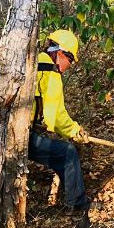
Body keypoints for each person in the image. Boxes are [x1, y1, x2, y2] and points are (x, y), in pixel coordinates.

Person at [29, 29, 91, 214]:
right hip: (18, 136)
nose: (70, 64)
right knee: (68, 153)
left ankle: (69, 196)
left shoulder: (33, 61)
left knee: (59, 157)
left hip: (1, 134)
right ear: (59, 52)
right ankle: (78, 205)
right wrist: (75, 131)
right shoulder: (49, 70)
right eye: (70, 59)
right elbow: (55, 117)